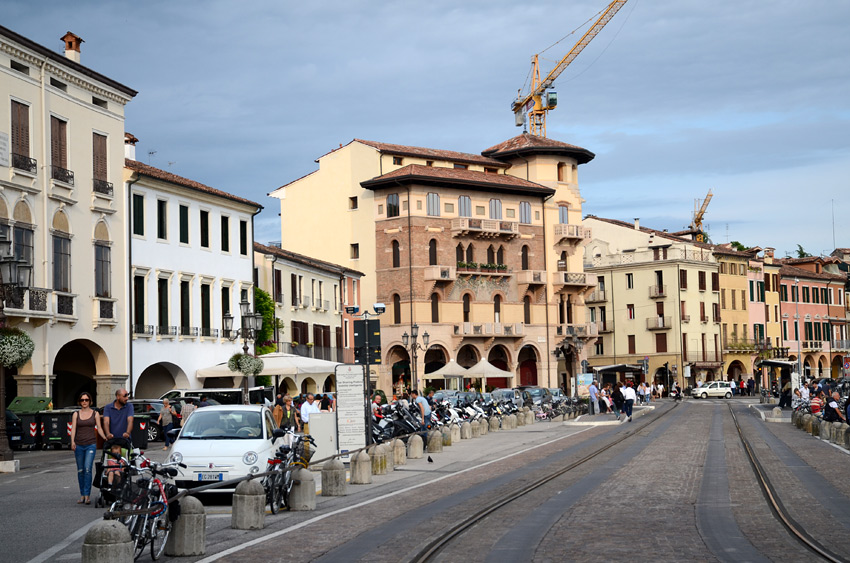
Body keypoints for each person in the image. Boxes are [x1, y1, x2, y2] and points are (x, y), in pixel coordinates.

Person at [70, 392, 105, 505]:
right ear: (79, 402)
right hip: (79, 445)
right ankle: (82, 495)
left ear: (90, 401)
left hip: (91, 444)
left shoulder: (95, 413)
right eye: (82, 400)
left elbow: (99, 428)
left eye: (86, 400)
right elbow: (73, 429)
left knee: (87, 468)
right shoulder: (76, 414)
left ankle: (87, 495)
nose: (84, 402)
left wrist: (105, 438)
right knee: (80, 470)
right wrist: (72, 442)